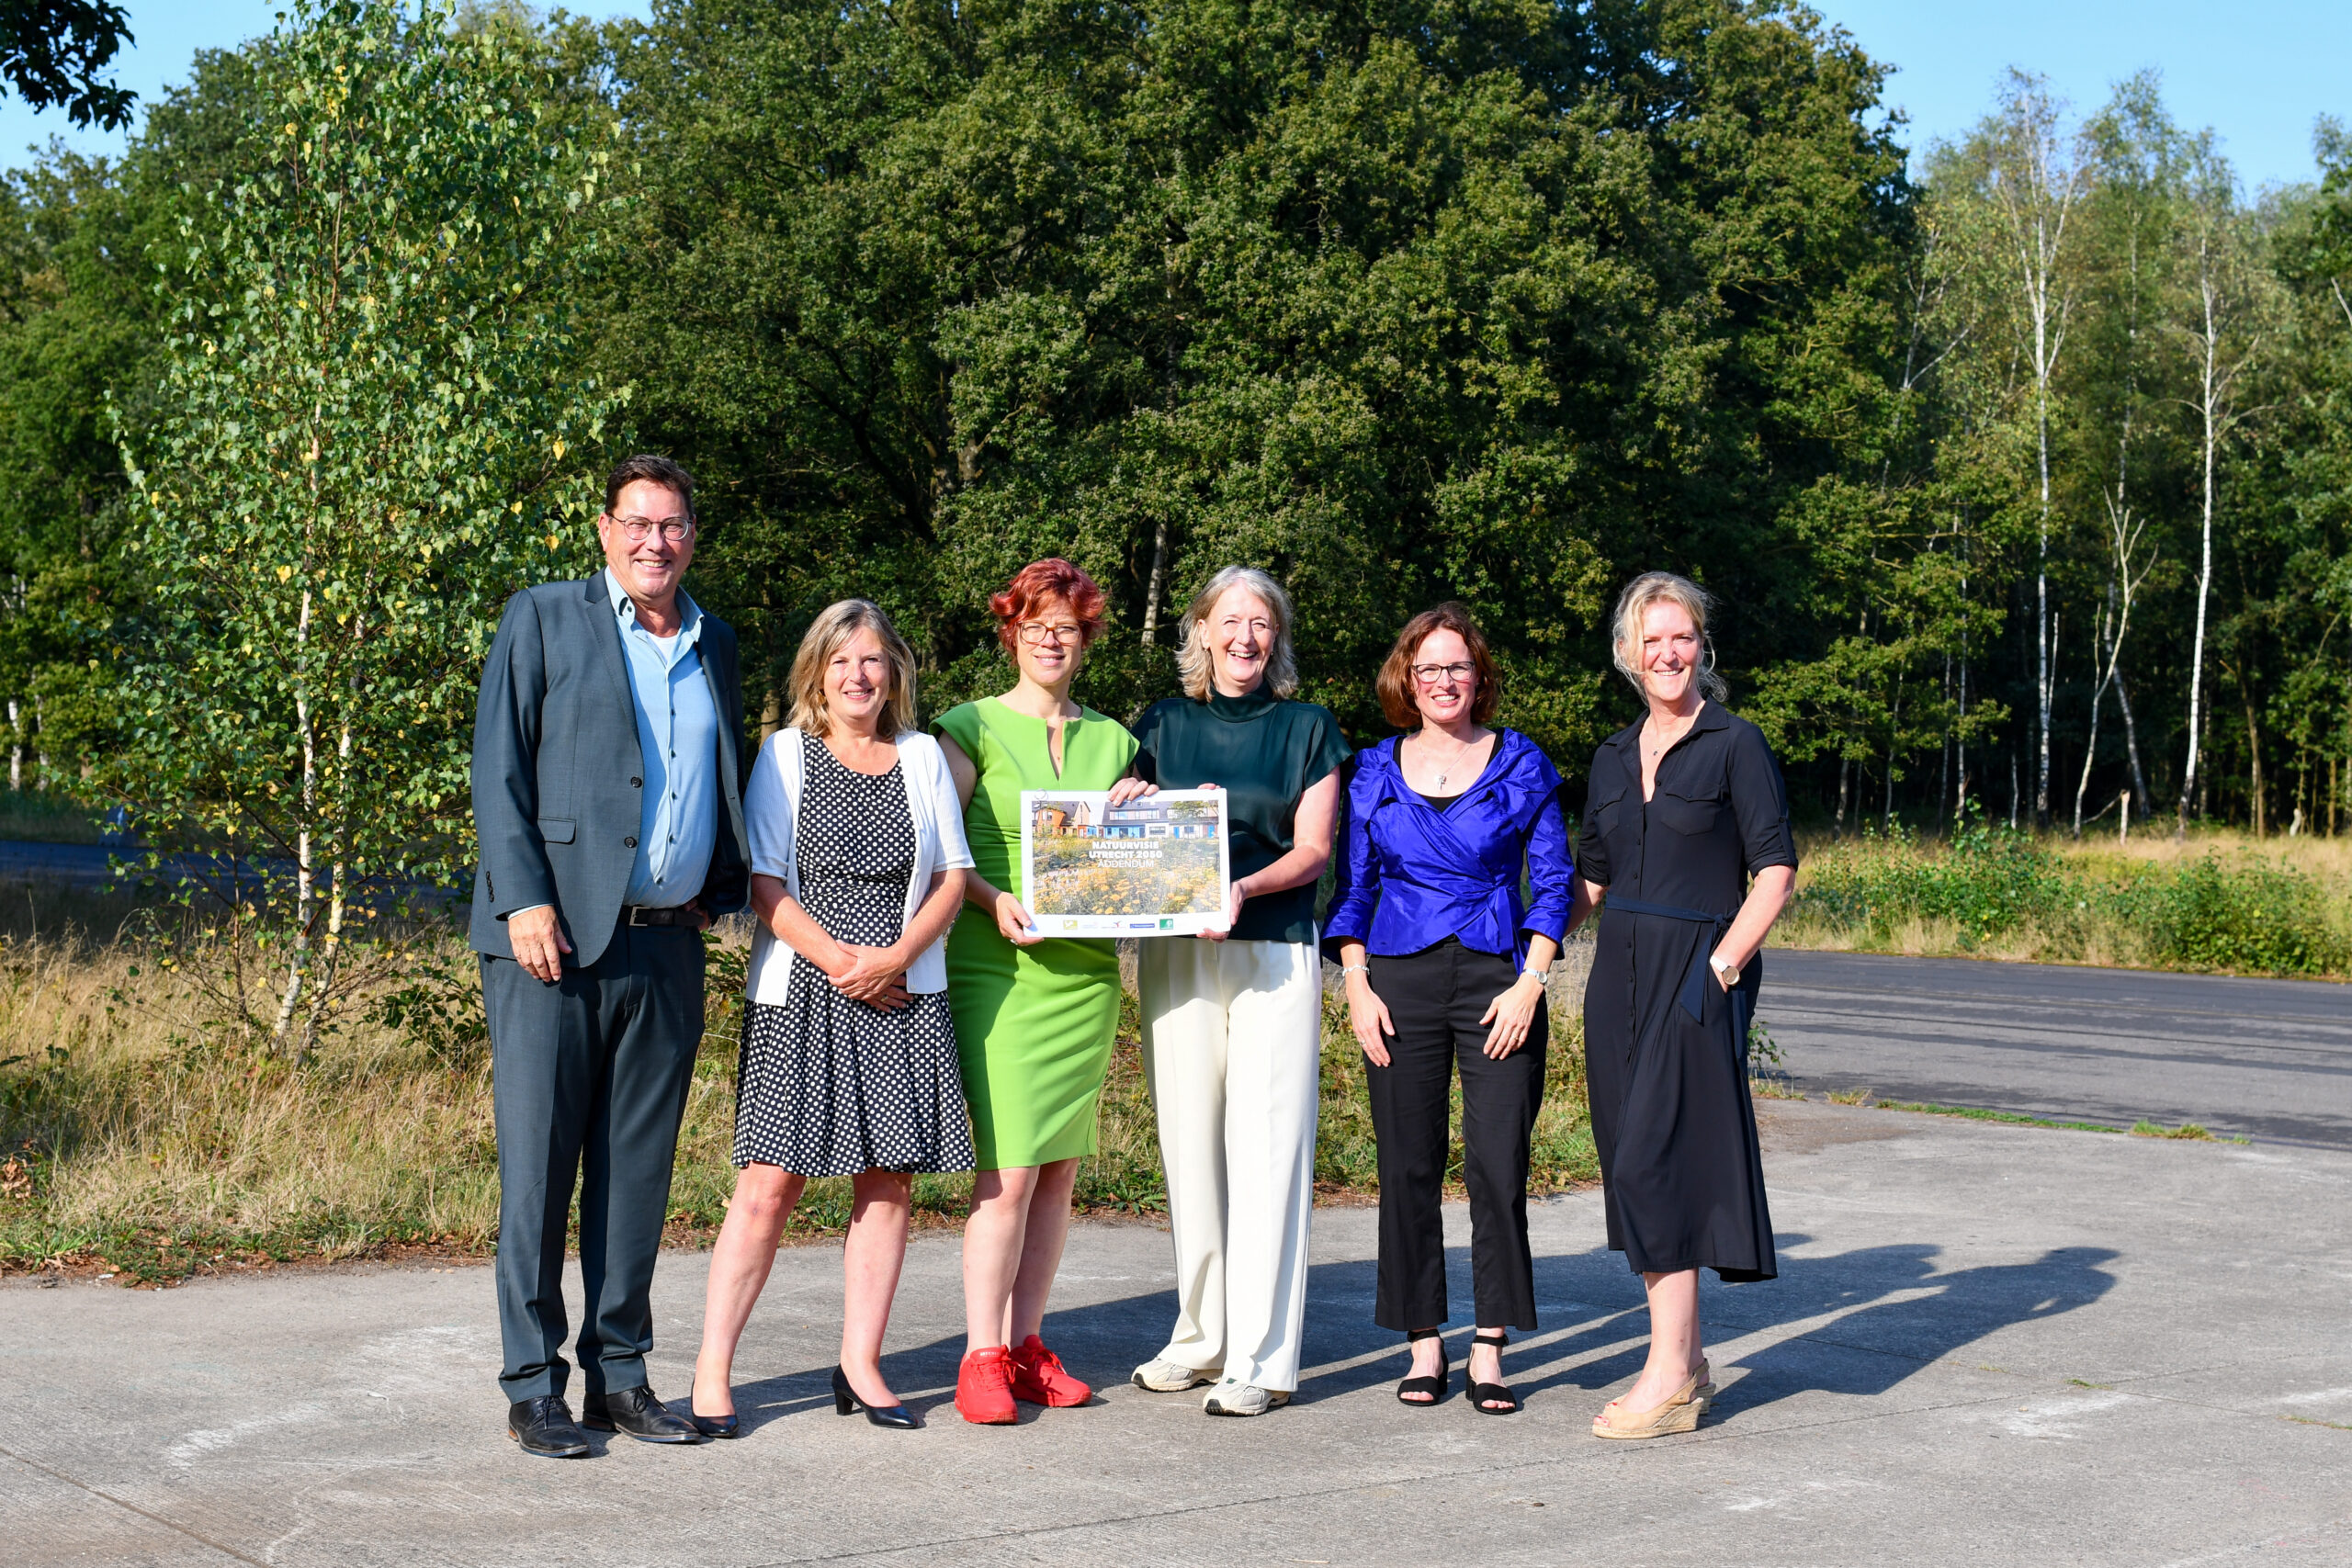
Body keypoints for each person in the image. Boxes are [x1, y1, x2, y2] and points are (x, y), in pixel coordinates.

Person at [471, 454, 750, 1458]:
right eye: (636, 523)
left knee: (637, 1180)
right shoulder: (543, 618)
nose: (654, 543)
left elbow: (726, 779)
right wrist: (524, 902)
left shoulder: (716, 642)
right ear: (604, 530)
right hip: (552, 946)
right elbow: (497, 766)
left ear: (690, 535)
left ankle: (619, 1378)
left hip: (669, 952)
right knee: (540, 1175)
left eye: (671, 526)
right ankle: (532, 1384)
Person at [686, 601, 973, 1437]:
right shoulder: (784, 754)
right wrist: (846, 961)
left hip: (901, 994)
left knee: (887, 1184)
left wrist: (892, 959)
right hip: (805, 991)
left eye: (874, 661)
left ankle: (861, 1362)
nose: (858, 675)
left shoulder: (921, 756)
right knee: (768, 1186)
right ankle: (712, 1371)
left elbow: (953, 876)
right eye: (841, 661)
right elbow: (764, 883)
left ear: (894, 674)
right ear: (817, 671)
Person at [1327, 604, 1573, 1415]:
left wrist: (1531, 982)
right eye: (1428, 667)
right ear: (1407, 676)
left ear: (1479, 676)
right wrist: (1356, 985)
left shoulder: (1524, 763)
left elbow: (1555, 882)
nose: (1443, 681)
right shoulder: (1370, 769)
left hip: (1499, 980)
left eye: (1457, 666)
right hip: (1396, 977)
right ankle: (1424, 1340)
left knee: (1498, 1166)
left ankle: (1490, 1345)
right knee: (1406, 1165)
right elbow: (1354, 888)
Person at [1568, 571, 1797, 1439]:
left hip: (1700, 969)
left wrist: (1726, 965)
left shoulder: (1737, 744)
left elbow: (1773, 869)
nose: (1668, 653)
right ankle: (1689, 1363)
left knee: (1657, 1162)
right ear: (1628, 654)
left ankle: (1667, 1372)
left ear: (1703, 648)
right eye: (1651, 639)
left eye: (1682, 637)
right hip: (1615, 974)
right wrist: (1530, 938)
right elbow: (1592, 877)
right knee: (1629, 1155)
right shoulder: (1611, 756)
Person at [1128, 566, 1352, 1418]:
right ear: (1202, 630)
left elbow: (1313, 848)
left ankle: (1260, 1356)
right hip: (1180, 952)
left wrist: (1246, 890)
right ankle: (1200, 1338)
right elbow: (1126, 824)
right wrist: (1123, 806)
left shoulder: (1309, 728)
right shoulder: (1162, 723)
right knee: (1190, 1150)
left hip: (1272, 947)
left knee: (1268, 1153)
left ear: (1277, 636)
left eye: (1262, 622)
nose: (1246, 636)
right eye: (1231, 620)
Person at [933, 558, 1152, 1425]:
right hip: (998, 964)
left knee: (1059, 1170)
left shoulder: (1116, 739)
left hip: (1087, 972)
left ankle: (1026, 1347)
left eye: (1066, 624)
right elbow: (941, 846)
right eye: (1035, 624)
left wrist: (1143, 813)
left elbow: (1135, 863)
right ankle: (979, 1354)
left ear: (1086, 635)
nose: (1051, 637)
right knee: (1010, 1171)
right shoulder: (968, 726)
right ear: (1011, 632)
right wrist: (993, 898)